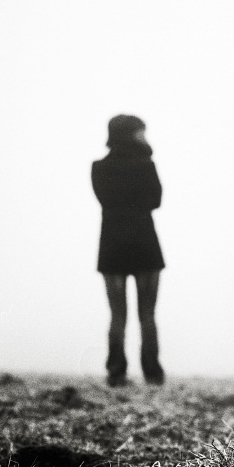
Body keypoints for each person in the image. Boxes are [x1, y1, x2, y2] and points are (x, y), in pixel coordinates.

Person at [92, 114, 166, 387]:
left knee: (117, 315)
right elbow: (156, 200)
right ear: (131, 135)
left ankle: (116, 372)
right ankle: (153, 374)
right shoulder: (146, 165)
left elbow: (105, 200)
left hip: (112, 246)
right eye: (140, 132)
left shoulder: (99, 167)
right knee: (147, 314)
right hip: (145, 244)